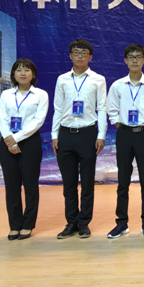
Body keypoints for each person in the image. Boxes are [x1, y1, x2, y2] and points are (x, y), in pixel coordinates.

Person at [52, 39, 107, 239]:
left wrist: (101, 135)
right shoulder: (62, 79)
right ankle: (71, 223)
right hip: (65, 134)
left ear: (90, 56)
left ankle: (84, 223)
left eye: (84, 53)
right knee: (69, 184)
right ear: (70, 56)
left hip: (88, 134)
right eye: (76, 52)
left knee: (87, 182)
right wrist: (55, 135)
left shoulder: (98, 79)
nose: (80, 56)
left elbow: (102, 108)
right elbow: (58, 108)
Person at [106, 44, 144, 239]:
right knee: (123, 181)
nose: (135, 60)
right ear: (125, 61)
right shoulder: (117, 85)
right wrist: (125, 128)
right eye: (131, 57)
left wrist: (142, 128)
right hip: (124, 134)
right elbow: (112, 110)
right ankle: (121, 222)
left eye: (138, 57)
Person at [0, 59, 49, 240]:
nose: (22, 73)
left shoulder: (40, 95)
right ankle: (14, 225)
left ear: (33, 74)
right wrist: (9, 140)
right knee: (11, 186)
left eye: (26, 70)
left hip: (29, 142)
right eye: (18, 70)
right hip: (7, 141)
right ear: (13, 74)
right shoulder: (6, 94)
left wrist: (16, 139)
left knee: (30, 186)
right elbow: (2, 118)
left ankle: (28, 224)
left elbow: (38, 121)